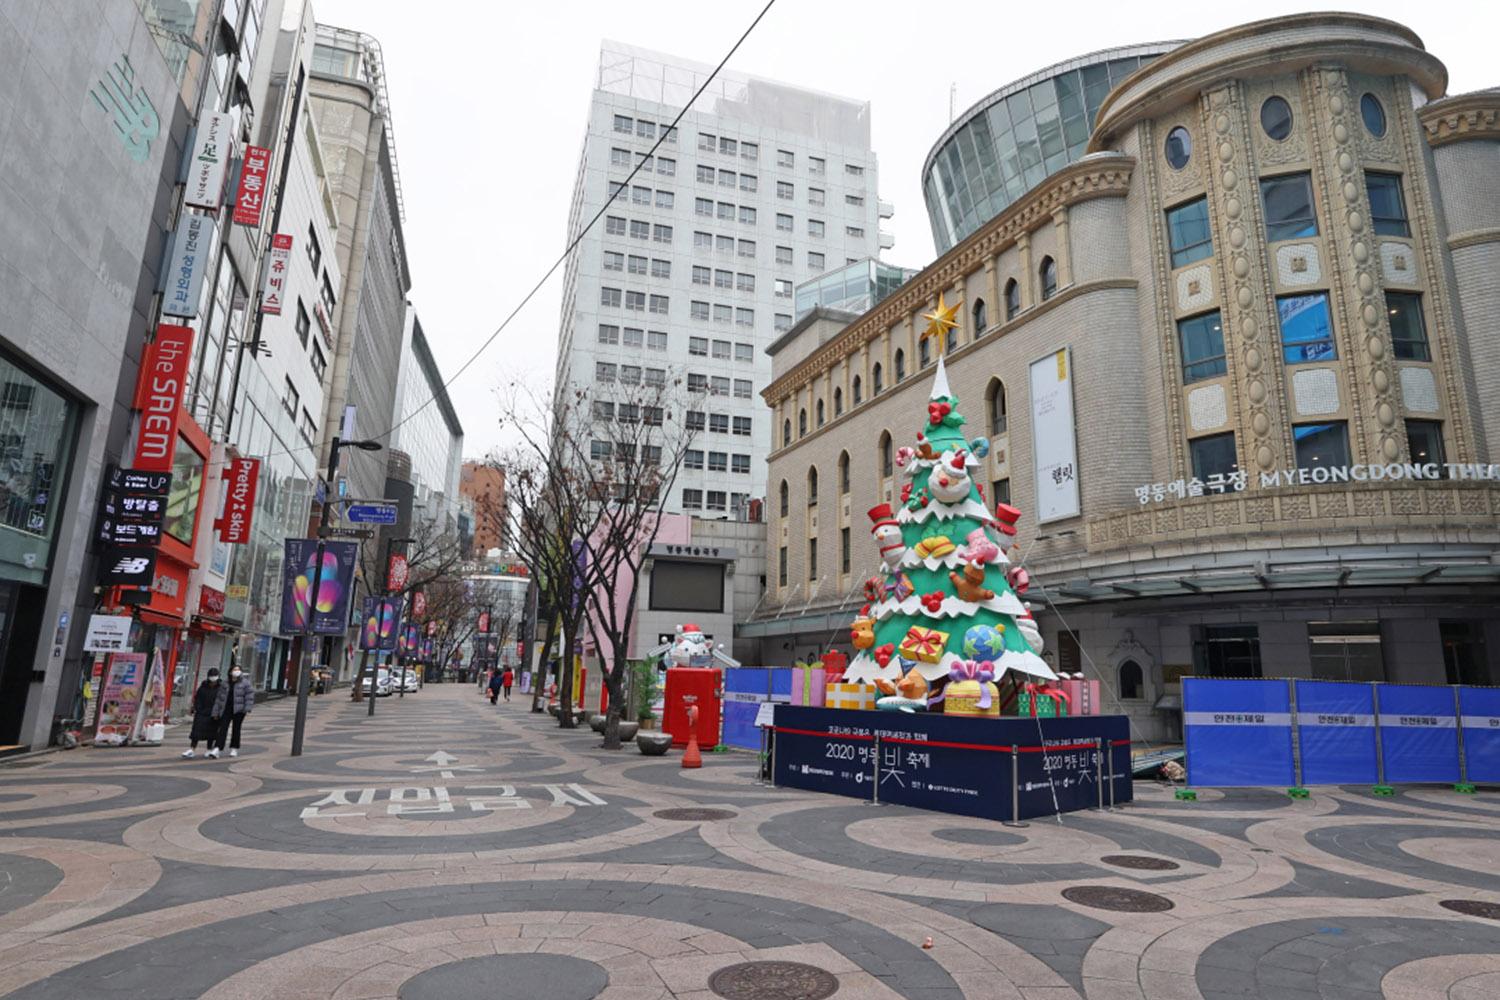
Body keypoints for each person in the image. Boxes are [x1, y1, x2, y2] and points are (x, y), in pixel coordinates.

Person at [208, 665, 254, 758]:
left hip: (239, 710)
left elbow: (249, 696)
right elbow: (219, 698)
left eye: (238, 670)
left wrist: (247, 709)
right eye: (234, 669)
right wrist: (215, 712)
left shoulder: (245, 683)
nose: (236, 671)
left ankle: (234, 748)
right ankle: (217, 748)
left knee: (236, 729)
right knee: (222, 729)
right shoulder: (225, 683)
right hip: (226, 709)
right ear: (230, 672)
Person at [181, 667, 222, 758]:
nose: (213, 678)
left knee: (212, 732)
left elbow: (222, 701)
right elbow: (197, 698)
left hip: (213, 713)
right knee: (196, 732)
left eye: (215, 676)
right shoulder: (203, 686)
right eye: (211, 676)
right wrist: (197, 708)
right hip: (201, 712)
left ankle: (209, 749)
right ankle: (192, 749)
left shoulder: (221, 688)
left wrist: (217, 712)